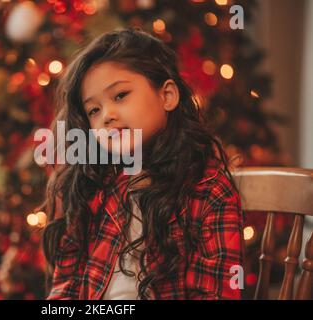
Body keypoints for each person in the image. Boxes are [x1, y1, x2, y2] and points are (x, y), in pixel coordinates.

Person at [40, 27, 244, 300]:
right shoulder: (94, 186)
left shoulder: (209, 190)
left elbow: (217, 294)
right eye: (94, 110)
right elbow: (65, 290)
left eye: (120, 95)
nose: (107, 116)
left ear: (167, 96)